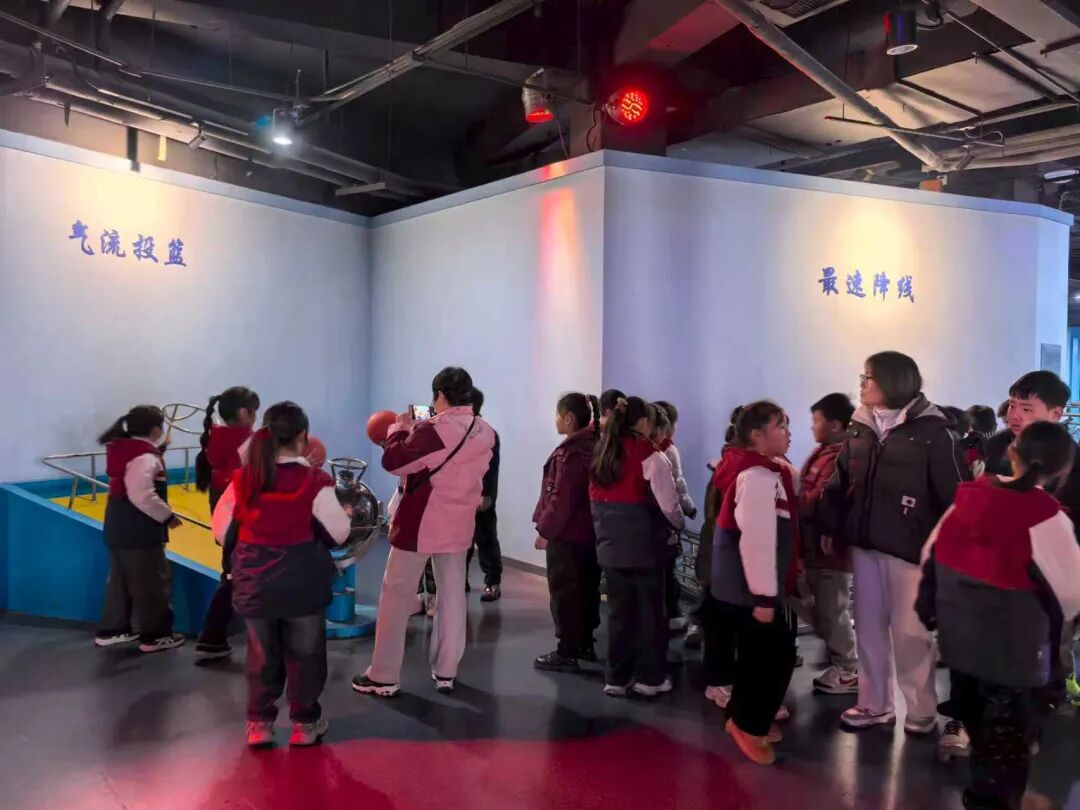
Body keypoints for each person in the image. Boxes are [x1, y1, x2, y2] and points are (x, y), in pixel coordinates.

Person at [916, 421, 1080, 809]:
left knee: (980, 733)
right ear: (1064, 470)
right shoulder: (1047, 517)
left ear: (1011, 453)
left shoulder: (967, 498)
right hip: (1014, 657)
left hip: (960, 645)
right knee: (1006, 749)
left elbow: (929, 558)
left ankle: (987, 793)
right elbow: (1071, 594)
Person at [824, 351, 967, 734]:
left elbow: (955, 497)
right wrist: (830, 525)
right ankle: (874, 704)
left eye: (867, 377)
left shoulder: (935, 432)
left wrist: (946, 551)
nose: (861, 384)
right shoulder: (861, 426)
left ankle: (921, 709)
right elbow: (841, 481)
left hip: (911, 549)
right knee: (867, 628)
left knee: (910, 633)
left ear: (893, 381)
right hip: (865, 543)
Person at [212, 401, 350, 747]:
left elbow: (221, 531)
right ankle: (305, 724)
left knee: (262, 655)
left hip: (255, 584)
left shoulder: (244, 479)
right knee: (307, 655)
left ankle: (259, 724)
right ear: (303, 437)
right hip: (303, 586)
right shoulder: (316, 481)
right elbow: (338, 534)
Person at [352, 367, 495, 697]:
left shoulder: (433, 430)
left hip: (421, 524)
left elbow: (395, 462)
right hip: (459, 525)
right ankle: (446, 671)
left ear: (440, 395)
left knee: (395, 597)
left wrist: (399, 429)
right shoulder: (485, 431)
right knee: (452, 598)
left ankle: (384, 675)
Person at [983, 371, 1080, 712]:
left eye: (1027, 408)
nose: (1015, 415)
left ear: (1056, 414)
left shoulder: (1071, 458)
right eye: (1012, 405)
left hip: (1052, 565)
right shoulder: (997, 446)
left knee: (1053, 634)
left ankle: (1054, 691)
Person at [711, 401, 800, 766]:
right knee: (774, 657)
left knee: (757, 655)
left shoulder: (762, 470)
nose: (789, 433)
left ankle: (743, 717)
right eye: (780, 426)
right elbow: (758, 541)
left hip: (745, 588)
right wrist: (764, 597)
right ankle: (749, 726)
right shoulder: (758, 477)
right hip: (752, 590)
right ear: (756, 434)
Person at [590, 396, 684, 697]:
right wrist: (679, 524)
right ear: (643, 422)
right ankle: (650, 679)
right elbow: (670, 507)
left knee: (619, 614)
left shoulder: (602, 451)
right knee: (651, 615)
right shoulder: (651, 456)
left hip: (610, 547)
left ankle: (617, 677)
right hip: (646, 547)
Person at [94, 405, 186, 654]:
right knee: (152, 583)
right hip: (140, 528)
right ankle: (155, 636)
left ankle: (113, 630)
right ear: (155, 429)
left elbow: (134, 473)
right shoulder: (146, 457)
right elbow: (142, 494)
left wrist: (160, 449)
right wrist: (167, 516)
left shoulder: (124, 449)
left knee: (119, 581)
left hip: (118, 525)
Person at [533, 393, 602, 673]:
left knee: (565, 592)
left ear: (569, 418)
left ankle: (567, 651)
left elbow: (562, 498)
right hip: (590, 534)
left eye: (557, 415)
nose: (555, 419)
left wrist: (545, 530)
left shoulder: (571, 454)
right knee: (587, 589)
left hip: (568, 536)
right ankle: (584, 643)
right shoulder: (594, 445)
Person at [796, 393, 858, 695]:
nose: (812, 426)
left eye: (816, 420)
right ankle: (839, 656)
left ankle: (848, 668)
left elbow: (829, 500)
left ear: (834, 425)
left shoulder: (842, 457)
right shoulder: (824, 453)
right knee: (819, 608)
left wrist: (797, 502)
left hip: (831, 549)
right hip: (813, 545)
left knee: (832, 609)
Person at [193, 386, 260, 661]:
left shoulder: (215, 437)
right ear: (244, 413)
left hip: (224, 513)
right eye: (254, 412)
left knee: (233, 573)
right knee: (239, 576)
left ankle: (214, 636)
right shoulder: (250, 443)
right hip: (242, 516)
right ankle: (213, 635)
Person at [654, 400, 697, 632]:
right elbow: (678, 485)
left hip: (647, 524)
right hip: (666, 523)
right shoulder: (668, 451)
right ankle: (670, 616)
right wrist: (688, 509)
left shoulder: (643, 450)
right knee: (667, 571)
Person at [467, 388, 503, 602]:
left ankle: (492, 582)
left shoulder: (486, 432)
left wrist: (487, 495)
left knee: (486, 539)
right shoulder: (457, 431)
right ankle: (459, 580)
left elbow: (491, 467)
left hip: (480, 495)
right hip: (459, 496)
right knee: (461, 542)